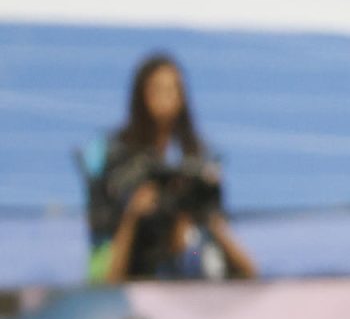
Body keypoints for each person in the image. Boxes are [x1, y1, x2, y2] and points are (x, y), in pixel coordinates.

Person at [91, 53, 258, 283]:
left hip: (194, 276)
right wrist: (133, 217)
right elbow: (107, 277)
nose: (165, 98)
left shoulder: (197, 157)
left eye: (173, 89)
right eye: (157, 89)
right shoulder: (119, 162)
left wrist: (202, 225)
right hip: (138, 275)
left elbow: (247, 270)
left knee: (196, 249)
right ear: (141, 95)